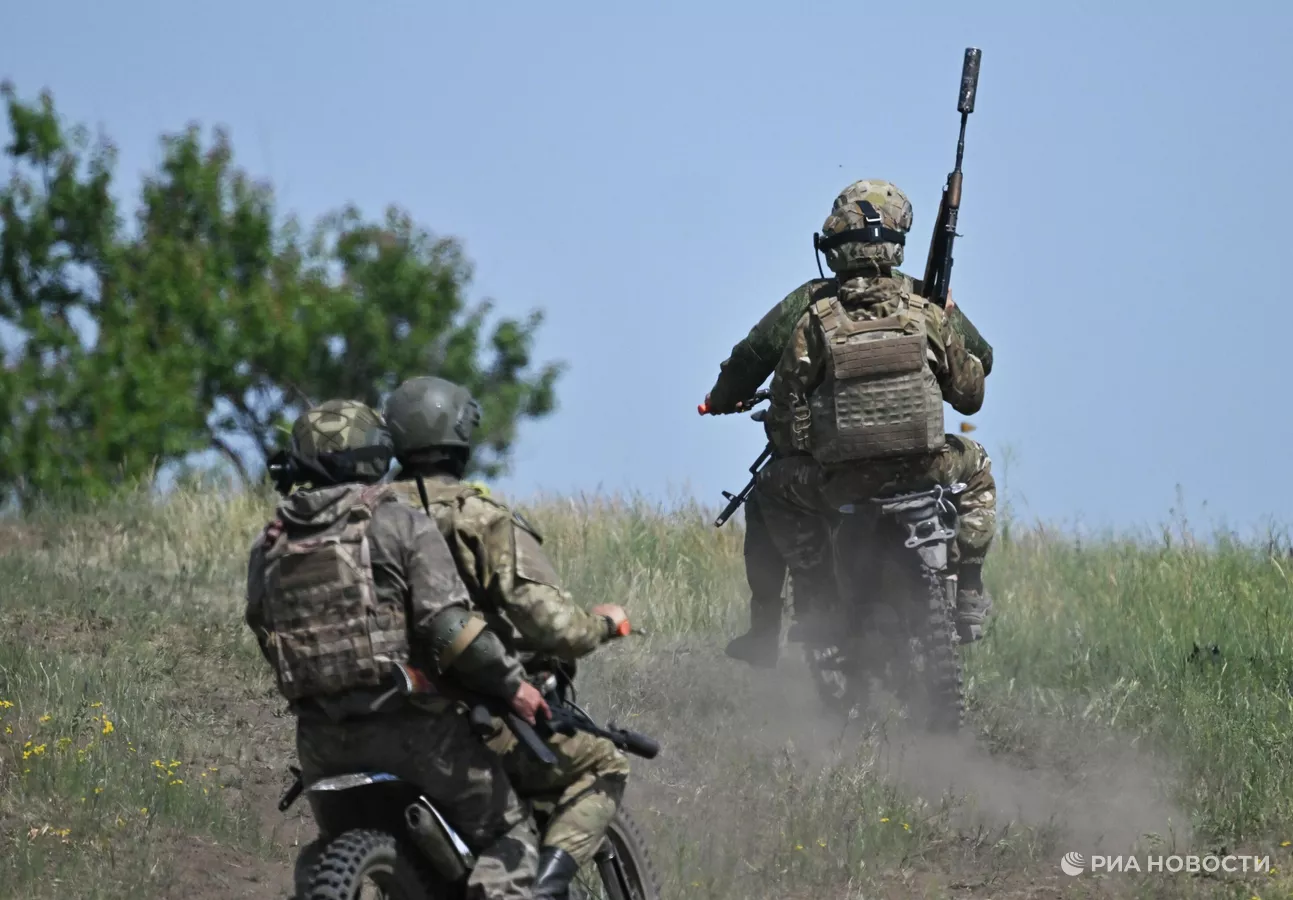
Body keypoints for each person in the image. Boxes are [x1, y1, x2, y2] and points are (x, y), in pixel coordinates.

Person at [244, 399, 543, 900]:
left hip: (321, 741)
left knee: (329, 846)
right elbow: (450, 628)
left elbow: (263, 629)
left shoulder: (268, 545)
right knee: (510, 837)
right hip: (411, 732)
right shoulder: (397, 524)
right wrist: (513, 686)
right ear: (374, 457)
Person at [700, 179, 996, 665]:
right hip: (926, 469)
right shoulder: (925, 307)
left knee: (769, 490)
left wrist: (736, 408)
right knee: (978, 465)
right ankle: (968, 589)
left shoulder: (814, 314)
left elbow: (774, 387)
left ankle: (789, 617)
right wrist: (946, 314)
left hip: (844, 480)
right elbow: (974, 387)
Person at [383, 376, 632, 900]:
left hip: (366, 706)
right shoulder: (477, 517)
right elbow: (554, 627)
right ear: (460, 437)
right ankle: (540, 889)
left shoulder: (361, 516)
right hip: (462, 713)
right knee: (606, 764)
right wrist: (605, 624)